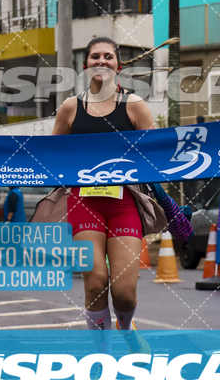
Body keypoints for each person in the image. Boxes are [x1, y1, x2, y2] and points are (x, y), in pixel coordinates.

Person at [51, 37, 154, 355]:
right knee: (95, 280)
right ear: (85, 65)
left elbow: (158, 155)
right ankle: (101, 352)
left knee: (123, 292)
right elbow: (52, 157)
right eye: (94, 56)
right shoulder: (71, 107)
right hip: (84, 203)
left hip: (124, 204)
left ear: (117, 65)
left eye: (108, 56)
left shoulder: (135, 105)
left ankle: (126, 327)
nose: (101, 60)